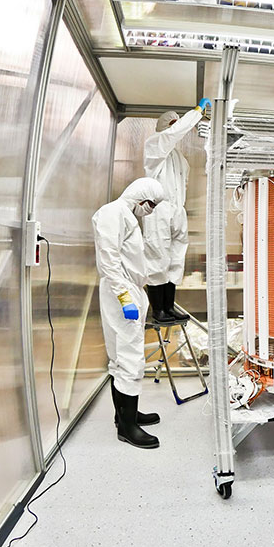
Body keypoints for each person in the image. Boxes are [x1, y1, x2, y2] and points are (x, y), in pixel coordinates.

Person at [93, 177, 165, 449]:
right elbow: (108, 258)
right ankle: (127, 428)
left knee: (125, 356)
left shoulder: (126, 215)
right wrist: (124, 297)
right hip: (120, 293)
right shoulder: (113, 212)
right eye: (150, 205)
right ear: (139, 198)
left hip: (129, 291)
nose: (151, 210)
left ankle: (126, 415)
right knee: (129, 358)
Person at [143, 98, 211, 324]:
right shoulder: (155, 146)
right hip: (159, 210)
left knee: (175, 257)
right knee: (157, 256)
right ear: (164, 128)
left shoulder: (180, 159)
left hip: (177, 210)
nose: (177, 127)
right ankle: (158, 310)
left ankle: (169, 307)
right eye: (173, 123)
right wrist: (197, 112)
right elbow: (173, 134)